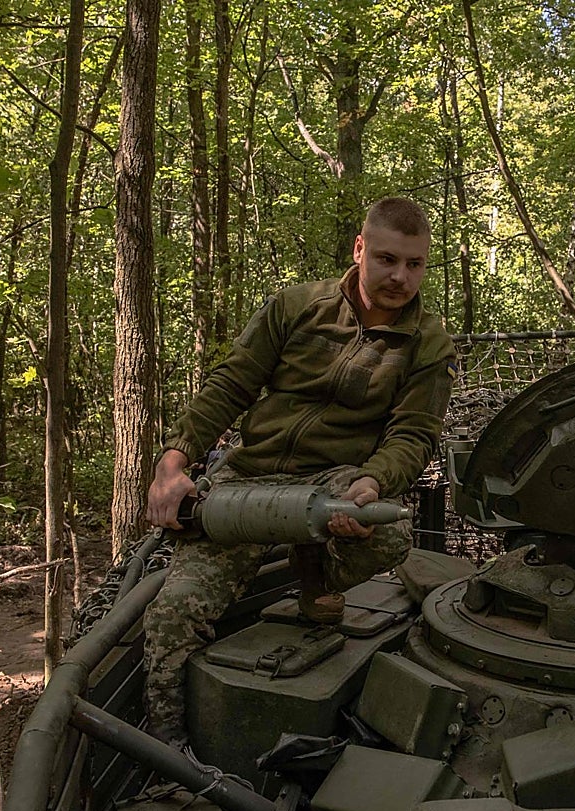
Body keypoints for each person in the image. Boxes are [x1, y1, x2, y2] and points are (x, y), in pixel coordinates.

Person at [143, 196, 457, 748]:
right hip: (248, 480)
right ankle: (168, 748)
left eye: (415, 264)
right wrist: (174, 460)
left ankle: (315, 569)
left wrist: (373, 481)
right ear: (359, 250)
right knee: (171, 616)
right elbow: (231, 384)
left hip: (333, 483)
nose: (400, 277)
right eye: (387, 259)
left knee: (389, 533)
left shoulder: (427, 341)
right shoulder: (297, 306)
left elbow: (413, 433)